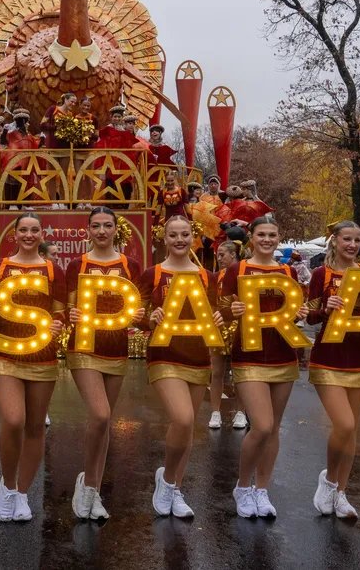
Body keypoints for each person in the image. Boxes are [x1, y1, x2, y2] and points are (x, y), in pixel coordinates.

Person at [223, 215, 308, 519]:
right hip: (249, 355)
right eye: (262, 234)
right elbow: (218, 309)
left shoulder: (288, 271)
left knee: (274, 428)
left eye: (273, 234)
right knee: (262, 425)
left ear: (278, 237)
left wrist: (300, 313)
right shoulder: (238, 269)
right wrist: (231, 310)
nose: (268, 239)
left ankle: (262, 488)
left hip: (283, 356)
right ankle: (243, 486)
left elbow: (298, 309)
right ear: (252, 237)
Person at [138, 216, 223, 518]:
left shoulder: (206, 276)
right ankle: (167, 481)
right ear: (164, 238)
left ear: (193, 238)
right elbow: (137, 313)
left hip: (198, 357)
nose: (179, 240)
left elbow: (215, 310)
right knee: (184, 419)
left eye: (185, 234)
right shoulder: (153, 273)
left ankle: (173, 484)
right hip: (164, 354)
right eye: (173, 235)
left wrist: (219, 318)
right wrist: (149, 317)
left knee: (187, 429)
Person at [0, 213, 65, 521]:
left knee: (34, 426)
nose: (29, 235)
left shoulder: (53, 269)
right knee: (14, 419)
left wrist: (58, 325)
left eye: (35, 230)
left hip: (42, 355)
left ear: (41, 234)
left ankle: (22, 492)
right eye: (23, 230)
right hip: (5, 353)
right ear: (14, 234)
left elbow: (61, 312)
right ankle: (7, 484)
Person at [305, 221, 360, 519]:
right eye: (346, 239)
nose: (352, 245)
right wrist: (326, 307)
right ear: (335, 241)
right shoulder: (321, 274)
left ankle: (341, 492)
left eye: (356, 240)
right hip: (327, 358)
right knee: (345, 425)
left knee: (352, 429)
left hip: (358, 359)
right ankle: (328, 481)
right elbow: (309, 317)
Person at [66, 208, 143, 519]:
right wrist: (67, 316)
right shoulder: (76, 265)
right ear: (88, 230)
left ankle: (93, 488)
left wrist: (140, 315)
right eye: (95, 225)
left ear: (116, 229)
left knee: (105, 422)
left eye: (106, 225)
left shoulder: (130, 265)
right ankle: (85, 484)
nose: (101, 231)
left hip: (116, 347)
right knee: (100, 414)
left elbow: (141, 305)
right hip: (83, 347)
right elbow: (67, 306)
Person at [209, 240, 248, 431]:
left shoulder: (244, 274)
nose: (219, 257)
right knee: (217, 372)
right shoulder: (215, 276)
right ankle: (215, 411)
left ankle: (240, 412)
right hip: (219, 325)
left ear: (234, 255)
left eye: (222, 254)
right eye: (218, 254)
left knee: (239, 373)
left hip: (241, 327)